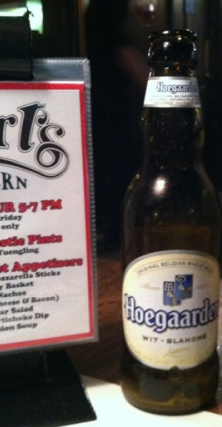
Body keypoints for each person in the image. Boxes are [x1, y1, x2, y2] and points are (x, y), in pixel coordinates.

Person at [85, 0, 150, 250]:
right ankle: (117, 231)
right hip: (111, 102)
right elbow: (125, 53)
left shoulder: (96, 9)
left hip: (97, 98)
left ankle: (110, 229)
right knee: (117, 164)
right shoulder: (110, 7)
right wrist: (160, 93)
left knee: (105, 164)